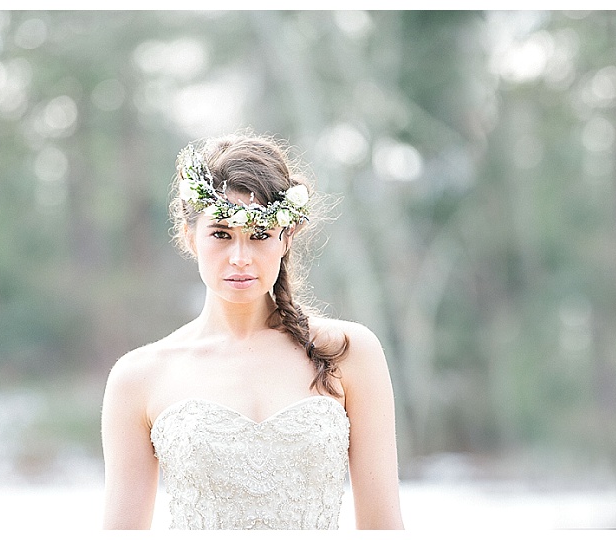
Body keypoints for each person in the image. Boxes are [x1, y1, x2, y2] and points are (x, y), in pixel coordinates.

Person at [101, 132, 404, 530]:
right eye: (221, 234)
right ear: (190, 237)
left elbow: (384, 528)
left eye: (259, 235)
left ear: (286, 237)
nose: (240, 257)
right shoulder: (139, 377)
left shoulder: (349, 352)